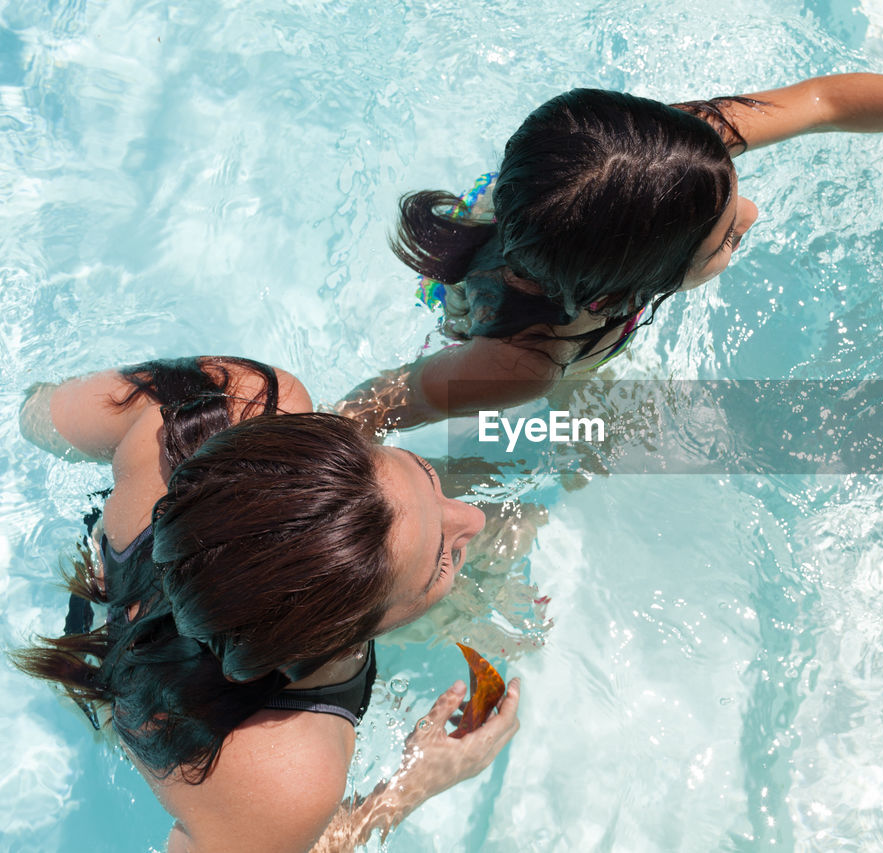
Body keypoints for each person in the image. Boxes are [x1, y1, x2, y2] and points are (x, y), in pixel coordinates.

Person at [338, 63, 883, 433]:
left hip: (555, 229)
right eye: (723, 239)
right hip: (522, 320)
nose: (753, 212)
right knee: (586, 438)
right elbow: (377, 406)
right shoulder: (519, 365)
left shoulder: (663, 158)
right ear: (623, 297)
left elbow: (828, 102)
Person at [14, 356, 520, 852]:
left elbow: (35, 416)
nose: (472, 517)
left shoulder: (224, 400)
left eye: (427, 473)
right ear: (334, 639)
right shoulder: (283, 776)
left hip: (104, 596)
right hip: (127, 717)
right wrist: (408, 788)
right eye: (440, 564)